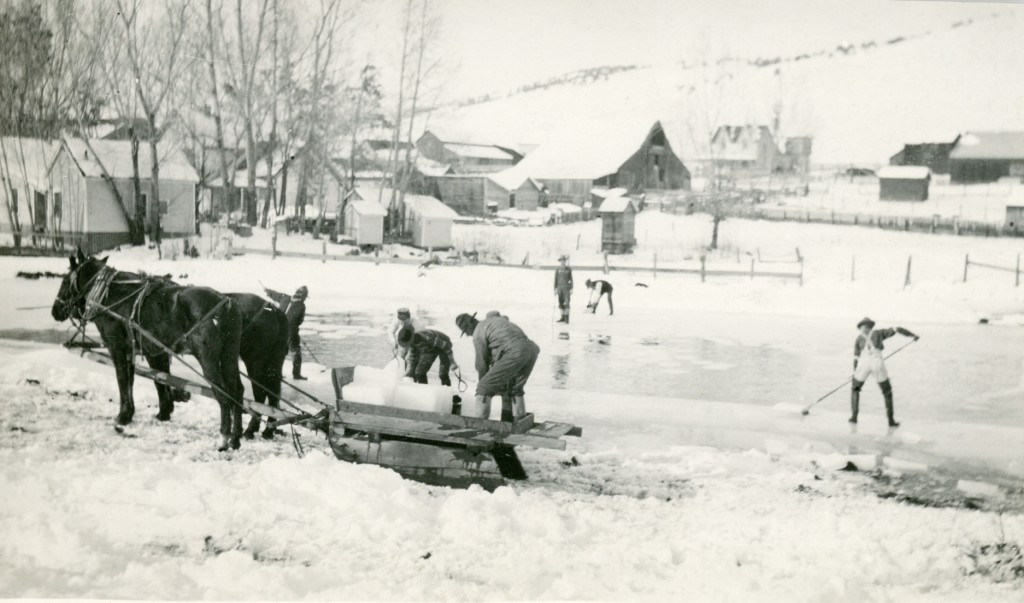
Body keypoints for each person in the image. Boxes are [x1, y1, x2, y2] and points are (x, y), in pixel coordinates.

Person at [455, 312, 540, 422]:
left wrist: (483, 384)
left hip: (515, 350)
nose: (467, 334)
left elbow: (482, 362)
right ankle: (519, 425)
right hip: (531, 349)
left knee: (483, 387)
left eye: (465, 331)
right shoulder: (495, 321)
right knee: (515, 389)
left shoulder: (478, 332)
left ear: (469, 325)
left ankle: (479, 428)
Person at [850, 317, 919, 427]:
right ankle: (891, 421)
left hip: (863, 365)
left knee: (856, 389)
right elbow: (897, 329)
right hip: (877, 363)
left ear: (863, 327)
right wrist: (913, 335)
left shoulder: (858, 338)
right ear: (870, 326)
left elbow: (856, 358)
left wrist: (855, 372)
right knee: (887, 392)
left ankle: (854, 417)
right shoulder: (879, 333)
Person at [265, 285, 308, 380]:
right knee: (296, 352)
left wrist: (268, 291)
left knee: (280, 352)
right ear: (303, 296)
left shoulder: (285, 297)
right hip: (291, 332)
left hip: (279, 330)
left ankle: (277, 374)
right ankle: (296, 375)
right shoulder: (301, 305)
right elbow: (299, 321)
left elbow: (275, 294)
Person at [554, 254, 573, 324]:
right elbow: (555, 280)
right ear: (560, 261)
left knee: (567, 303)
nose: (563, 262)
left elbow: (571, 279)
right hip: (559, 288)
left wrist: (571, 288)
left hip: (567, 288)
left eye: (564, 260)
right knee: (560, 303)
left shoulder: (569, 269)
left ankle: (567, 318)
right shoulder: (557, 269)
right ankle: (562, 317)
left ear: (565, 261)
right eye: (562, 261)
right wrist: (555, 289)